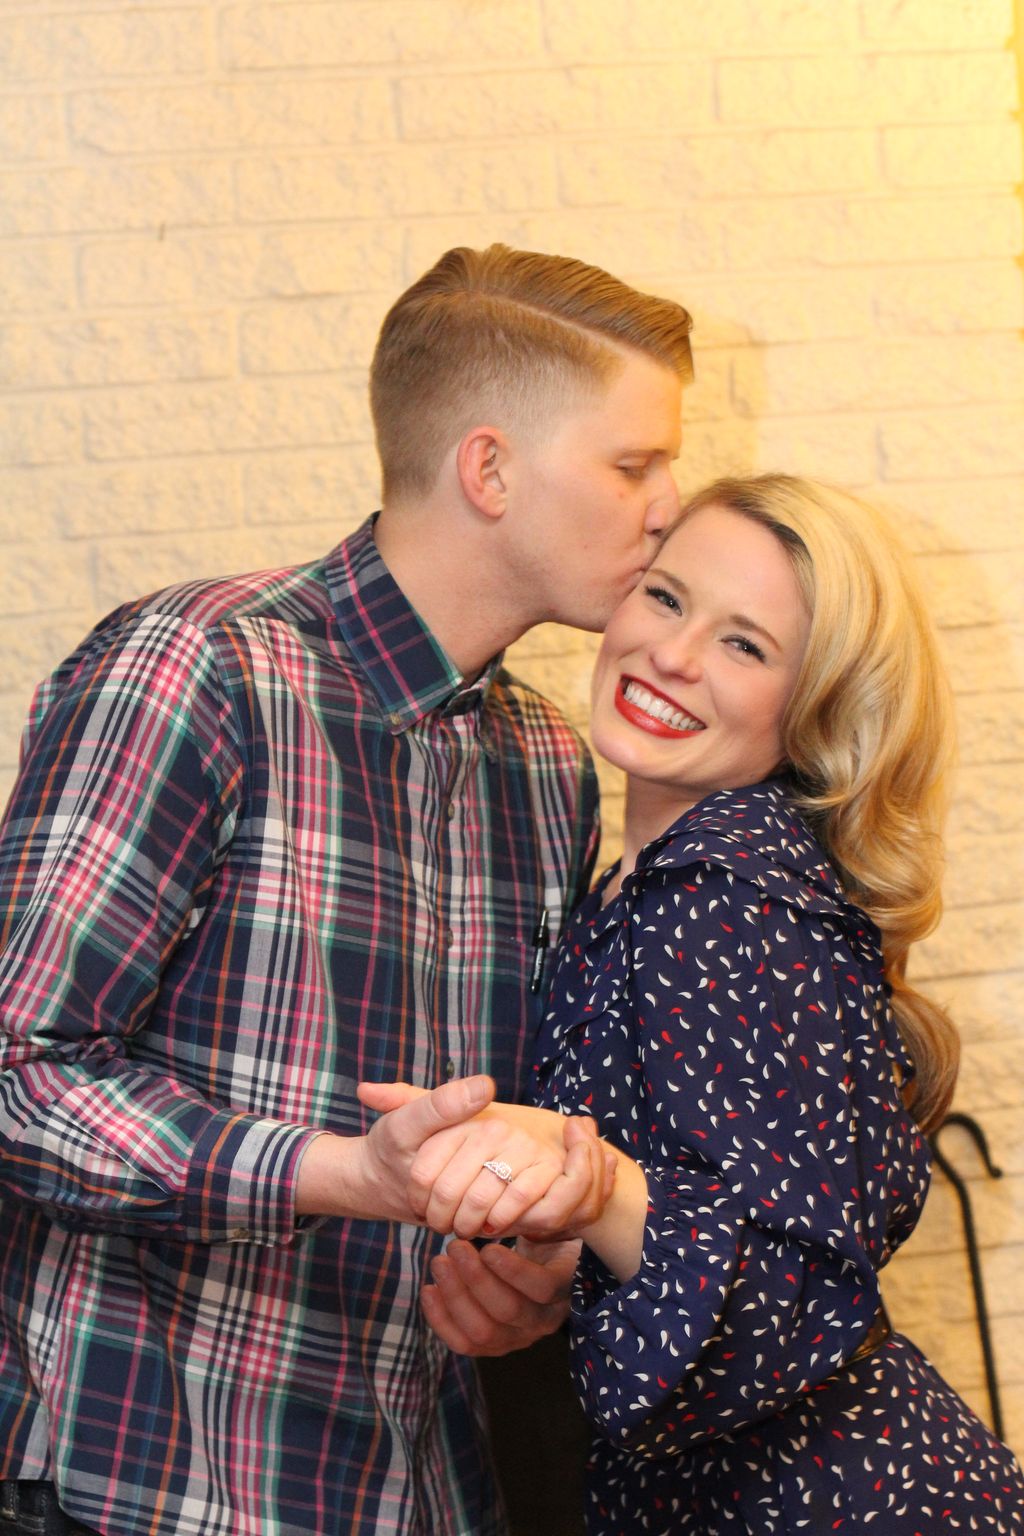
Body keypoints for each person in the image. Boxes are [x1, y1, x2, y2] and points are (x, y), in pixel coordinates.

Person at [0, 245, 694, 1536]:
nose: (669, 507)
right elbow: (18, 1076)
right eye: (632, 464)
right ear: (489, 470)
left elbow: (483, 1146)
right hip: (141, 1485)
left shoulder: (548, 765)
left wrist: (527, 1269)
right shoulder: (196, 672)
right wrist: (341, 1173)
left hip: (419, 1491)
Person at [373, 475, 1024, 1533]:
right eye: (667, 597)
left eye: (745, 645)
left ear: (811, 711)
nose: (673, 655)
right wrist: (556, 1260)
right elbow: (712, 1198)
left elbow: (790, 1294)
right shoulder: (640, 883)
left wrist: (589, 1186)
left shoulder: (721, 889)